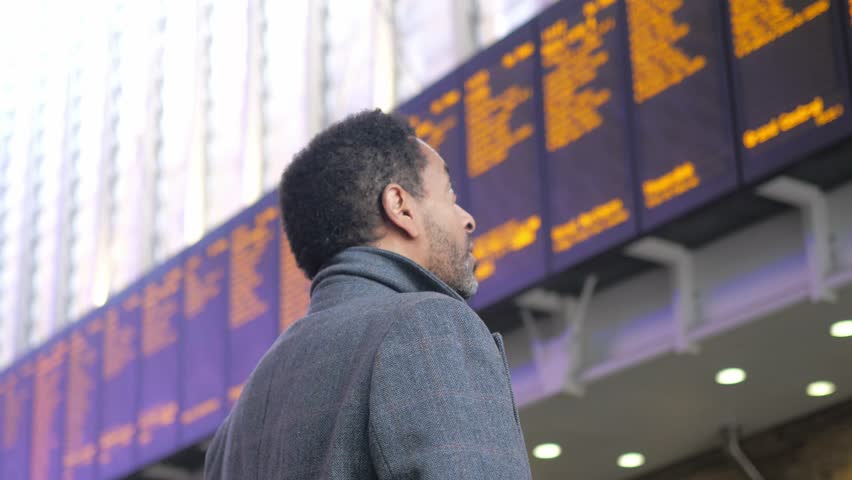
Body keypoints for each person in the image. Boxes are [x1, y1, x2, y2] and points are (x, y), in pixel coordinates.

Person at [204, 109, 532, 479]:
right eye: (449, 197)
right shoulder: (429, 326)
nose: (467, 218)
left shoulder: (239, 421)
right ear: (400, 207)